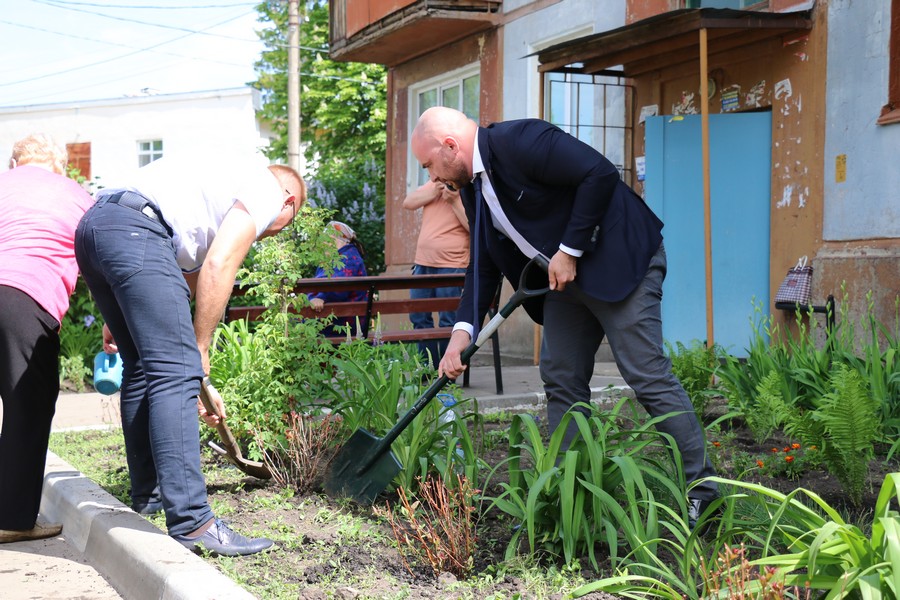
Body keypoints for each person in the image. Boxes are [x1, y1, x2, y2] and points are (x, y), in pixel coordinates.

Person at [410, 106, 719, 527]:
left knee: (646, 374)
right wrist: (462, 332)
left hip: (618, 262)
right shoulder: (471, 186)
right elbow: (481, 266)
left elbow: (599, 173)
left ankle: (704, 494)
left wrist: (569, 250)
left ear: (450, 146)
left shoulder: (520, 141)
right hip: (562, 283)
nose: (431, 177)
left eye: (428, 164)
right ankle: (569, 495)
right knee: (560, 377)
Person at [74, 156, 305, 556]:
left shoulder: (210, 193)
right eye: (290, 219)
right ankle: (194, 523)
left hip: (98, 227)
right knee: (175, 371)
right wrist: (197, 353)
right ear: (289, 202)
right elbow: (219, 265)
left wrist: (197, 377)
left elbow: (187, 280)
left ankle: (149, 496)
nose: (274, 232)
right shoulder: (269, 189)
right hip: (135, 231)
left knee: (146, 368)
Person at [0, 134, 94, 543]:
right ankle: (13, 519)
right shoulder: (74, 193)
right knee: (28, 406)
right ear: (58, 166)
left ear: (14, 164)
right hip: (25, 297)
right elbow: (100, 253)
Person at [402, 180, 469, 368]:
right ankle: (428, 367)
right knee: (419, 317)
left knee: (449, 320)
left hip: (453, 265)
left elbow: (474, 227)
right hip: (422, 263)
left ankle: (447, 371)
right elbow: (408, 202)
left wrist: (454, 200)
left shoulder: (467, 187)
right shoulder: (433, 183)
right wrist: (433, 191)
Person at [307, 220, 368, 336]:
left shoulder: (349, 258)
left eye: (327, 240)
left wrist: (321, 297)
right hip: (334, 315)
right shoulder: (336, 258)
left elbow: (339, 286)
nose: (323, 245)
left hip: (343, 322)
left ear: (337, 240)